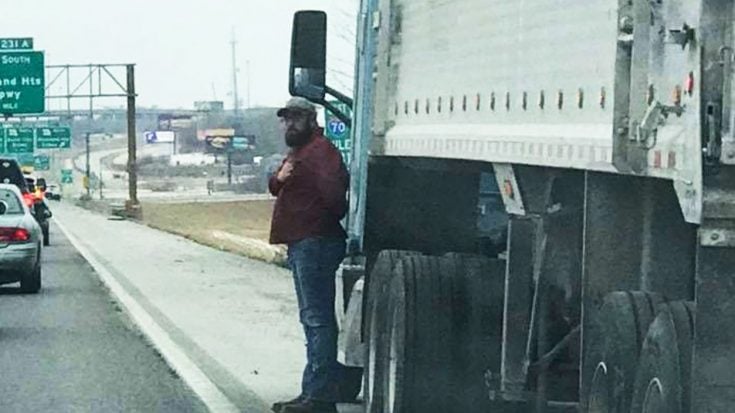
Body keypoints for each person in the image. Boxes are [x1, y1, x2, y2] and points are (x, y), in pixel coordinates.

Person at [269, 97, 349, 413]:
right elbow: (276, 185)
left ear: (310, 119)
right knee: (312, 320)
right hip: (301, 242)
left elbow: (334, 194)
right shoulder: (298, 152)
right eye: (286, 119)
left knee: (317, 321)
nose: (290, 124)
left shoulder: (320, 151)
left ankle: (319, 398)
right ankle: (311, 392)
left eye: (296, 118)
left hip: (316, 242)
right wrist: (281, 177)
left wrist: (321, 219)